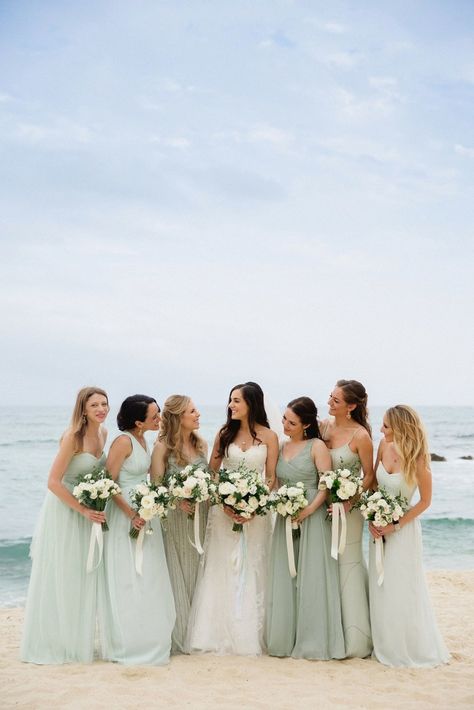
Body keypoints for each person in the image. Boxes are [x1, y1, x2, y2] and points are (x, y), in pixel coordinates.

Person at [186, 382, 278, 655]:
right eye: (230, 401)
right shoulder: (224, 434)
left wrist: (255, 504)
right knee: (221, 566)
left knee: (254, 565)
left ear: (252, 402)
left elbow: (271, 477)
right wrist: (225, 503)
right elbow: (212, 474)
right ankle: (215, 633)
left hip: (257, 515)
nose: (231, 406)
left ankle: (251, 633)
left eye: (236, 401)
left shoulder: (269, 436)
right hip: (223, 513)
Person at [21, 386, 109, 664]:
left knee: (83, 574)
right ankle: (55, 641)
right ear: (83, 409)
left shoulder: (104, 434)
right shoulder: (73, 437)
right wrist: (82, 509)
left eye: (105, 404)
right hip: (66, 510)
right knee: (63, 572)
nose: (101, 409)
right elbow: (53, 482)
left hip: (87, 511)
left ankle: (76, 639)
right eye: (94, 405)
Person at [369, 405, 450, 667]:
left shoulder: (418, 461)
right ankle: (383, 642)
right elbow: (373, 484)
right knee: (379, 585)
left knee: (400, 586)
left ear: (401, 428)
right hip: (377, 529)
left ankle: (403, 645)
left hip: (402, 532)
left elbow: (425, 501)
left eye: (386, 426)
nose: (381, 430)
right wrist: (372, 515)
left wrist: (395, 525)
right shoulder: (383, 446)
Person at [266, 397, 346, 660]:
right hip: (286, 517)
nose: (285, 425)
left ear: (306, 424)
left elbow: (326, 484)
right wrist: (281, 504)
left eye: (291, 422)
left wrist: (309, 510)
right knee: (286, 576)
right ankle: (285, 639)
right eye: (284, 419)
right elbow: (276, 481)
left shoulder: (317, 446)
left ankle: (313, 639)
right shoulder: (281, 444)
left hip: (312, 515)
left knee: (312, 576)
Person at [98, 395, 175, 665]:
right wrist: (131, 513)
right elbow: (109, 483)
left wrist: (149, 506)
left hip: (144, 511)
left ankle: (146, 633)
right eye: (154, 416)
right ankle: (127, 640)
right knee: (128, 573)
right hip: (125, 516)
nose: (159, 420)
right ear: (138, 421)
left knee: (148, 573)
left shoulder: (145, 440)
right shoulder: (123, 442)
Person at [151, 395, 208, 654]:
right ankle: (179, 632)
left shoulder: (201, 444)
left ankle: (197, 632)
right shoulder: (163, 446)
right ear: (178, 417)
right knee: (179, 572)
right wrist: (177, 500)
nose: (198, 414)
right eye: (192, 411)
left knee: (199, 572)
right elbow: (156, 486)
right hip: (175, 517)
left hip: (201, 516)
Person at [321, 379, 373, 658]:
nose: (329, 403)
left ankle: (356, 638)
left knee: (347, 562)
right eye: (330, 397)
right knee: (326, 563)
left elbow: (369, 476)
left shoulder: (361, 436)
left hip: (349, 511)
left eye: (336, 400)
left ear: (351, 406)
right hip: (323, 507)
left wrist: (349, 498)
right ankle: (329, 631)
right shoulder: (323, 426)